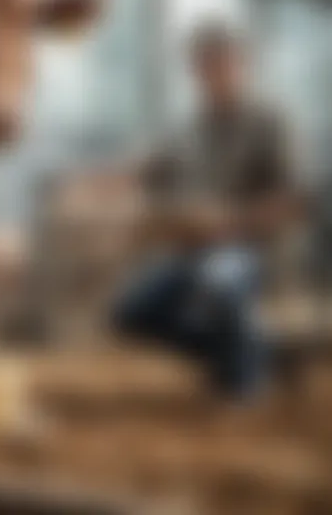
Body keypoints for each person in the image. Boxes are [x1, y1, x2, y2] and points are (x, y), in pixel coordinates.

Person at [111, 22, 300, 400]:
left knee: (220, 282)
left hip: (251, 250)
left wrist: (227, 221)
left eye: (223, 63)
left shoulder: (270, 121)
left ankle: (246, 389)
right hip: (191, 251)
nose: (214, 73)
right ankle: (252, 353)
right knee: (130, 312)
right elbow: (147, 169)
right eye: (205, 65)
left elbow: (291, 199)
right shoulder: (190, 128)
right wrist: (100, 182)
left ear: (242, 65)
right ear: (195, 72)